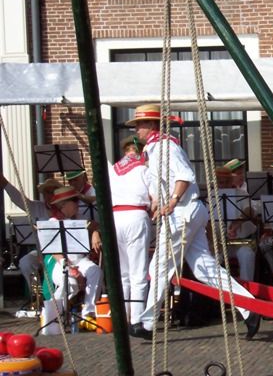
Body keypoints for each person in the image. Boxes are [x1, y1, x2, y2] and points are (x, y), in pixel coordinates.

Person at [126, 104, 260, 340]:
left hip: (182, 213)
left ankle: (147, 324)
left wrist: (173, 201)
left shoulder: (166, 146)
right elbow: (164, 182)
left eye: (141, 124)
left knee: (159, 266)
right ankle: (249, 308)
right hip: (187, 212)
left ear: (153, 125)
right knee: (203, 268)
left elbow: (185, 176)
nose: (137, 129)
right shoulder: (154, 149)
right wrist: (158, 201)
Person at [108, 135, 152, 326]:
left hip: (114, 218)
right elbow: (155, 197)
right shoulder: (144, 169)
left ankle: (122, 318)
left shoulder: (112, 170)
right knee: (138, 273)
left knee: (123, 273)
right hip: (136, 215)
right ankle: (137, 319)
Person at [0, 175, 63, 299]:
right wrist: (5, 184)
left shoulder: (64, 207)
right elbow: (19, 199)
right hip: (41, 252)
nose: (49, 195)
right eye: (46, 192)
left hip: (59, 253)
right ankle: (37, 297)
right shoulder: (37, 207)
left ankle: (54, 298)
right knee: (25, 262)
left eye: (52, 192)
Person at [48, 186, 102, 321]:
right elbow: (54, 251)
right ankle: (53, 314)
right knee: (70, 283)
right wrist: (70, 268)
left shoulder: (80, 218)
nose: (78, 204)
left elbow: (96, 225)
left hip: (81, 260)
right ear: (63, 205)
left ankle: (88, 312)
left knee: (96, 271)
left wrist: (95, 233)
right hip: (61, 263)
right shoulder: (53, 222)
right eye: (74, 201)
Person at [214, 166, 257, 281]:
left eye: (226, 181)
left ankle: (246, 289)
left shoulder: (242, 194)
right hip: (220, 244)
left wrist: (239, 221)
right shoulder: (211, 197)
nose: (223, 184)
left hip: (241, 242)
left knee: (247, 255)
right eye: (220, 182)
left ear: (231, 181)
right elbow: (207, 222)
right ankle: (218, 289)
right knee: (211, 259)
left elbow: (250, 210)